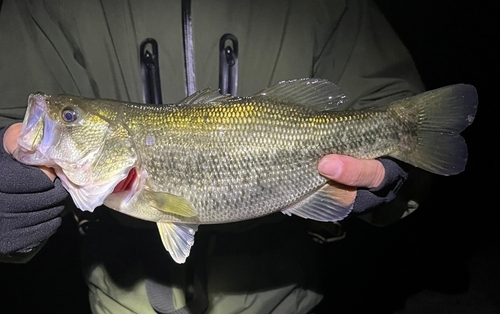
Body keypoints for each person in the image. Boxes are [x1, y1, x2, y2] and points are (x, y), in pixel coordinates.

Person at [0, 0, 425, 312]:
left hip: (286, 295)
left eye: (70, 116)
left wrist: (394, 176)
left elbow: (388, 92)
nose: (52, 112)